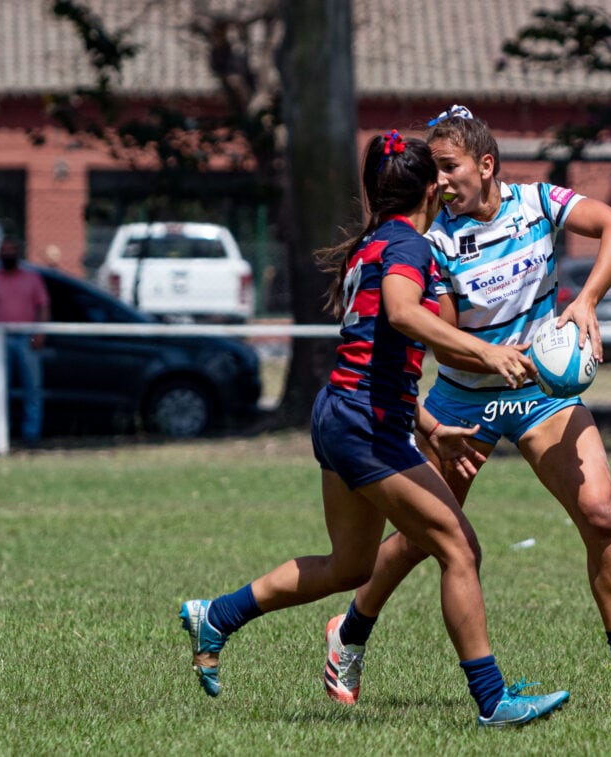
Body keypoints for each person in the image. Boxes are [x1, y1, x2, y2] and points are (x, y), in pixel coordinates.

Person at [179, 131, 569, 727]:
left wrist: (432, 426)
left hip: (343, 411)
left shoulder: (375, 244)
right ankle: (493, 701)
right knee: (460, 548)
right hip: (366, 424)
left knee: (351, 564)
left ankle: (218, 616)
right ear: (430, 186)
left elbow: (377, 352)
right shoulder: (408, 246)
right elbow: (402, 314)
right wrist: (487, 354)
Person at [324, 107, 611, 709]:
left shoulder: (540, 203)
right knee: (423, 538)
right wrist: (485, 348)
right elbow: (441, 332)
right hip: (463, 402)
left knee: (599, 514)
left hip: (540, 394)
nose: (437, 182)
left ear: (486, 166)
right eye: (432, 171)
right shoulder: (431, 241)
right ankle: (349, 632)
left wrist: (586, 301)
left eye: (448, 168)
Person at [0, 238, 50, 446]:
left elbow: (43, 305)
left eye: (12, 249)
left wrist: (39, 333)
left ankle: (31, 436)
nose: (8, 254)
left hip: (26, 338)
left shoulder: (32, 278)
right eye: (5, 250)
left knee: (32, 388)